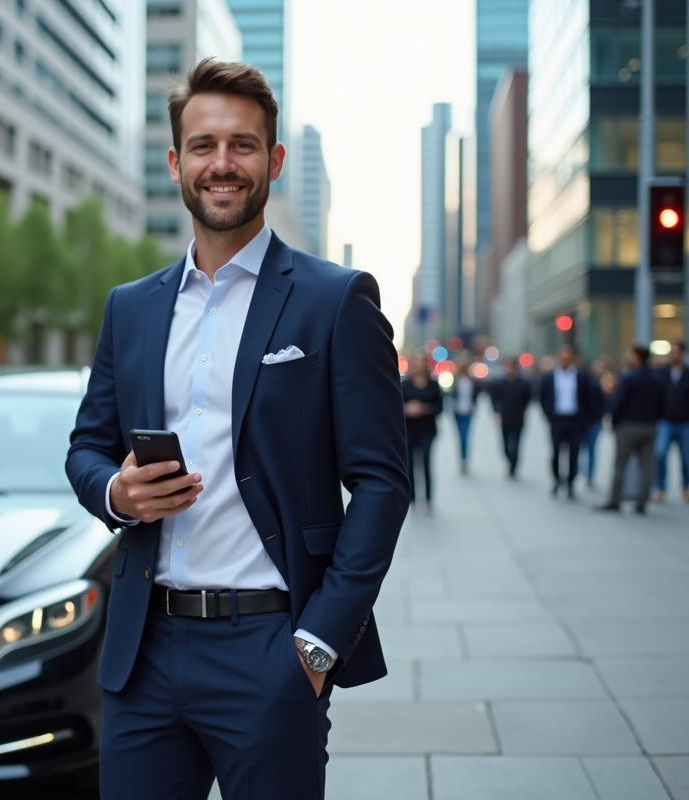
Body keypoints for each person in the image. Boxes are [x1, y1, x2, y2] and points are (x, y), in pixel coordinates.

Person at [65, 59, 410, 800]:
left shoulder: (335, 299)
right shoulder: (131, 306)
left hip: (270, 648)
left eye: (243, 145)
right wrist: (118, 494)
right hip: (143, 650)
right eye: (204, 145)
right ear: (176, 163)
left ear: (274, 160)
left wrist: (318, 644)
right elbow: (86, 447)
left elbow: (383, 482)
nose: (222, 163)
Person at [597, 344, 665, 514]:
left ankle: (615, 500)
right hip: (649, 426)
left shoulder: (629, 378)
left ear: (636, 357)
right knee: (647, 467)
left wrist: (613, 420)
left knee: (620, 465)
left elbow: (619, 402)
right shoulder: (657, 379)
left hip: (628, 426)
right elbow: (662, 404)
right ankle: (642, 502)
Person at [538, 344, 598, 499]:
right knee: (556, 452)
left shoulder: (581, 376)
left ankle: (571, 482)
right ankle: (557, 480)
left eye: (567, 357)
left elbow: (589, 398)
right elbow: (543, 397)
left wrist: (587, 419)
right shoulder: (549, 377)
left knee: (574, 453)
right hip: (557, 420)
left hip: (575, 420)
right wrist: (548, 414)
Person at [402, 354, 443, 509]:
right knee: (409, 465)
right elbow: (396, 406)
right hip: (409, 430)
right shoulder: (405, 385)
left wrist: (424, 408)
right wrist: (407, 409)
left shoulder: (433, 385)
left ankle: (428, 499)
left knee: (426, 462)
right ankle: (411, 499)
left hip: (427, 430)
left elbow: (439, 408)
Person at [653, 341, 689, 503]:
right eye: (671, 352)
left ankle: (686, 486)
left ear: (682, 354)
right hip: (665, 421)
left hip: (684, 422)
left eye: (676, 352)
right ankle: (660, 487)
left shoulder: (687, 373)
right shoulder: (662, 372)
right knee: (660, 453)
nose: (674, 355)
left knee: (686, 457)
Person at [490, 356, 532, 478]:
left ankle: (514, 465)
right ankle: (509, 460)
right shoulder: (500, 383)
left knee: (516, 444)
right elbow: (494, 399)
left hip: (518, 418)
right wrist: (496, 412)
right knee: (505, 445)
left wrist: (523, 410)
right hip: (505, 418)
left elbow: (527, 399)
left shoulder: (522, 383)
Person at [447, 360, 482, 475]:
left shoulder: (472, 381)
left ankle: (464, 460)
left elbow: (477, 393)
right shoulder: (455, 380)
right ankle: (461, 459)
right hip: (457, 412)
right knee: (459, 437)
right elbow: (450, 394)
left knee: (465, 436)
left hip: (468, 412)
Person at [580, 359, 609, 490]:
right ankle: (581, 471)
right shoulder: (585, 381)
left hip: (595, 422)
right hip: (583, 422)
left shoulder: (605, 384)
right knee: (581, 448)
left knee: (591, 449)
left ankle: (589, 475)